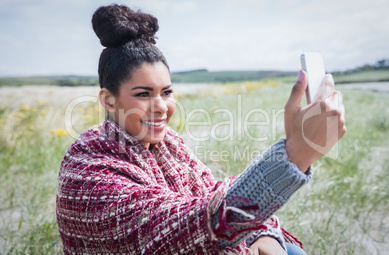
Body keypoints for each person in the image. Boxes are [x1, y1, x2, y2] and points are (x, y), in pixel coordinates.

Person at [56, 4, 346, 255]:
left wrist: (263, 233)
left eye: (166, 92)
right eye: (144, 94)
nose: (161, 107)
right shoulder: (87, 174)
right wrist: (295, 154)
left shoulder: (168, 144)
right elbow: (187, 224)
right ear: (108, 100)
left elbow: (216, 194)